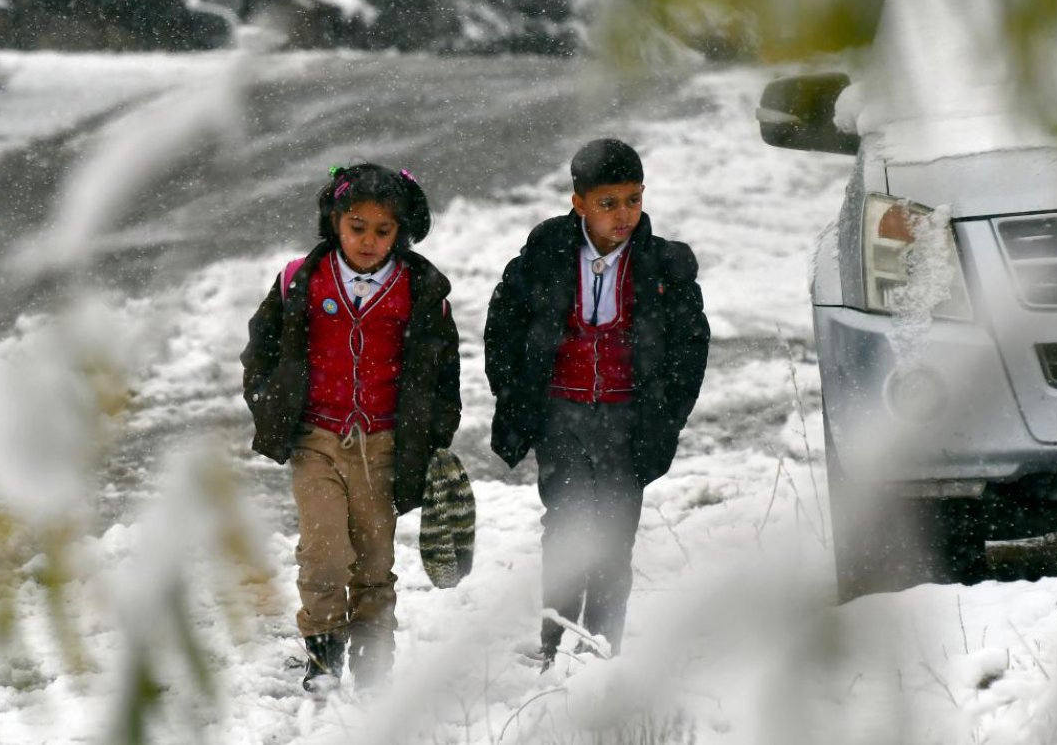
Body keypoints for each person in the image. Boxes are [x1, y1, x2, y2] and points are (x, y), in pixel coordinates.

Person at [483, 138, 709, 668]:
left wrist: (666, 417)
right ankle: (553, 642)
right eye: (608, 203)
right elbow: (503, 326)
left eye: (633, 199)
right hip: (561, 417)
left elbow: (689, 347)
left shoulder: (663, 265)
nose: (624, 214)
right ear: (578, 202)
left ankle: (600, 649)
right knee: (563, 529)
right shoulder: (546, 256)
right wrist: (515, 396)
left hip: (627, 422)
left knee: (613, 537)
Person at [241, 164, 461, 692]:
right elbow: (260, 351)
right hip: (316, 440)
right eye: (356, 226)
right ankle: (322, 656)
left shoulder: (421, 291)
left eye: (383, 231)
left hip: (385, 446)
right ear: (334, 221)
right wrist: (271, 405)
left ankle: (373, 666)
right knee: (323, 556)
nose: (368, 241)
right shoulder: (300, 280)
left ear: (401, 232)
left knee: (373, 561)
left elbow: (443, 373)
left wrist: (433, 438)